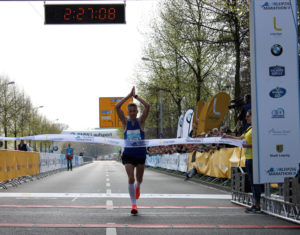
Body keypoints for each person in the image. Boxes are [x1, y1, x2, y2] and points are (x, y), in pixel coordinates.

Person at [115, 86, 150, 215]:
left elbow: (148, 106)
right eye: (130, 111)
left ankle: (138, 187)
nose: (132, 112)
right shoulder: (125, 122)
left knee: (138, 179)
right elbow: (117, 108)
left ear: (137, 111)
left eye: (134, 110)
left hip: (140, 154)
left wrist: (136, 97)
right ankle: (134, 205)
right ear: (128, 112)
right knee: (131, 178)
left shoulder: (141, 121)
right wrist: (128, 96)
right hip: (128, 154)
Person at [222, 110, 261, 213]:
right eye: (246, 116)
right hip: (248, 158)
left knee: (255, 182)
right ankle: (255, 204)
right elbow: (240, 138)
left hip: (254, 158)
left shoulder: (257, 128)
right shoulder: (249, 128)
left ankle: (257, 205)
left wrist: (247, 145)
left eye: (248, 116)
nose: (246, 118)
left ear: (253, 116)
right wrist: (228, 136)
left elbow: (259, 143)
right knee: (252, 182)